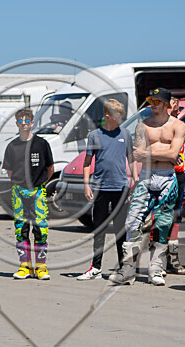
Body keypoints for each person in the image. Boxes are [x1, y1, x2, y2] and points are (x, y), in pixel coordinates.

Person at [109, 88, 183, 286]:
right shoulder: (143, 126)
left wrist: (150, 154)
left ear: (167, 104)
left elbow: (173, 156)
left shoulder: (178, 126)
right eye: (151, 100)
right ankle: (127, 270)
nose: (153, 104)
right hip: (146, 177)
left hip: (167, 178)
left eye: (157, 101)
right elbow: (137, 153)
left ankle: (156, 270)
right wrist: (160, 153)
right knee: (132, 222)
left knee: (162, 225)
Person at [78, 99, 133, 280]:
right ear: (108, 116)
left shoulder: (125, 134)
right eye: (118, 116)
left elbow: (131, 159)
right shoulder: (95, 135)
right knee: (99, 228)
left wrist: (134, 179)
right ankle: (96, 267)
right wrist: (86, 185)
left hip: (120, 187)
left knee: (120, 229)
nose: (120, 119)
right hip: (101, 187)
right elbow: (87, 163)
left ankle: (123, 267)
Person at [3, 108, 54, 280]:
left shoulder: (42, 144)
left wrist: (39, 185)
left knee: (41, 229)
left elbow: (50, 169)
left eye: (27, 121)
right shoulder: (12, 145)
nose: (24, 124)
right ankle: (25, 266)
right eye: (20, 121)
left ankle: (41, 267)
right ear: (16, 124)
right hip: (18, 192)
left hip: (38, 191)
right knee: (21, 229)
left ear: (32, 123)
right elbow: (9, 171)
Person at [165, 96, 185, 275]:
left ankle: (174, 261)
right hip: (161, 177)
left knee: (176, 218)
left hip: (179, 176)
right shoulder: (155, 127)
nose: (175, 112)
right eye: (172, 109)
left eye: (176, 109)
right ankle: (158, 261)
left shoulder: (183, 128)